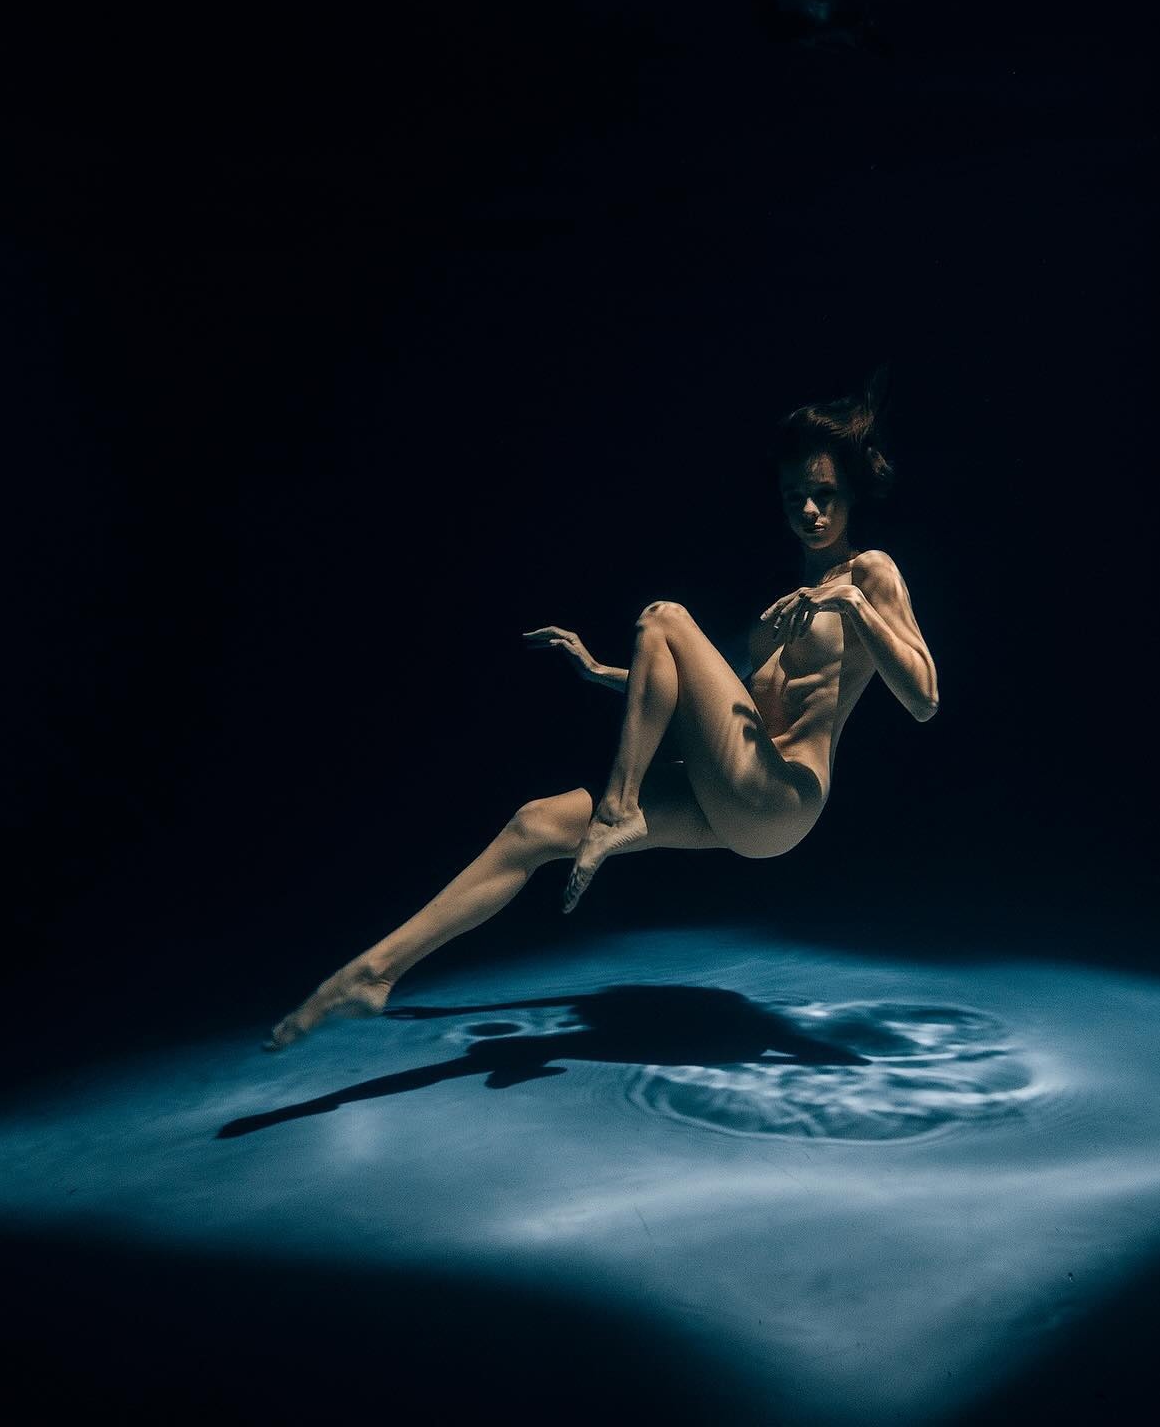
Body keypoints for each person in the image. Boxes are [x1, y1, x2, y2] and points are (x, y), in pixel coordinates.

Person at [263, 366, 938, 1050]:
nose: (811, 511)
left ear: (852, 493)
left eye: (825, 495)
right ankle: (375, 972)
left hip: (785, 797)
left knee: (664, 616)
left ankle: (618, 810)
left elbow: (925, 700)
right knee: (535, 824)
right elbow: (683, 687)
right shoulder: (783, 610)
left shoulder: (869, 573)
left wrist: (853, 603)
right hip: (731, 794)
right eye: (796, 497)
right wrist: (598, 672)